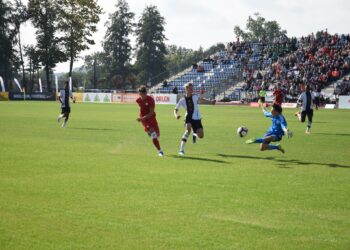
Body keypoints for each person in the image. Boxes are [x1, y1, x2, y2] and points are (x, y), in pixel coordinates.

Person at [174, 82, 216, 156]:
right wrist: (176, 115)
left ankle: (195, 133)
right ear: (186, 89)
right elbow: (175, 109)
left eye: (192, 88)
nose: (191, 89)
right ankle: (181, 150)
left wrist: (210, 102)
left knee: (201, 136)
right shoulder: (182, 100)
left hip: (197, 118)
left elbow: (201, 100)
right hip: (188, 117)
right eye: (190, 88)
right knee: (187, 131)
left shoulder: (195, 96)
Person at [136, 85, 164, 156]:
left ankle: (149, 131)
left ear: (145, 93)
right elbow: (141, 109)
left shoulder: (150, 100)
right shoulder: (138, 100)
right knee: (154, 135)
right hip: (144, 119)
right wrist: (142, 118)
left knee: (157, 135)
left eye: (143, 94)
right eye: (140, 94)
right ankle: (160, 151)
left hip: (151, 117)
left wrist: (142, 118)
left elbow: (151, 113)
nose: (141, 96)